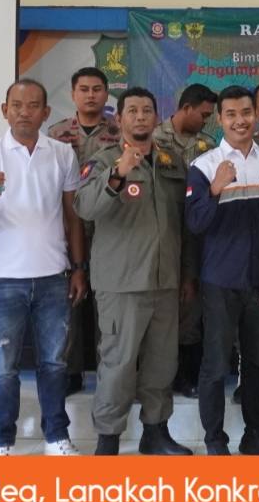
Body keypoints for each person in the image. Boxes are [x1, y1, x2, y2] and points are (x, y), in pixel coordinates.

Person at [0, 79, 86, 457]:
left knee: (54, 364)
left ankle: (56, 437)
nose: (24, 113)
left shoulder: (62, 154)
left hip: (53, 277)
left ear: (46, 113)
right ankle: (3, 442)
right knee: (3, 368)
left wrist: (79, 267)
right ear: (5, 110)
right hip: (3, 280)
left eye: (33, 106)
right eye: (16, 105)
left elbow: (73, 217)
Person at [76, 87, 194, 455]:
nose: (140, 117)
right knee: (118, 363)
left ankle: (155, 432)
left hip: (165, 281)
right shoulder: (103, 161)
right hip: (122, 283)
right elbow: (85, 208)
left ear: (156, 118)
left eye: (147, 110)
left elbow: (184, 224)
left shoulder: (172, 162)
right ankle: (108, 438)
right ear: (119, 118)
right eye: (132, 111)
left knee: (162, 363)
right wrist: (117, 174)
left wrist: (186, 274)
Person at [186, 85, 259, 455]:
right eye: (230, 114)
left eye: (246, 112)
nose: (240, 121)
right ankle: (215, 440)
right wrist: (215, 190)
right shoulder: (204, 165)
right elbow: (195, 223)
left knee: (258, 361)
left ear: (255, 115)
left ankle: (255, 434)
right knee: (215, 364)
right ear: (219, 119)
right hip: (219, 281)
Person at [47, 66, 121, 393]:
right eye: (84, 89)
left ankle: (109, 374)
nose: (90, 95)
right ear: (73, 94)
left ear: (106, 94)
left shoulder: (119, 132)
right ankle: (71, 371)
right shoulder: (56, 133)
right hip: (67, 229)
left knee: (108, 306)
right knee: (70, 302)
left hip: (110, 230)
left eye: (96, 89)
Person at [154, 83, 218, 398]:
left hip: (196, 233)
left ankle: (186, 376)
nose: (206, 121)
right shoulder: (155, 140)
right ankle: (159, 377)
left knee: (191, 306)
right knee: (161, 311)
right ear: (187, 108)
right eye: (203, 115)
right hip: (161, 231)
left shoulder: (209, 145)